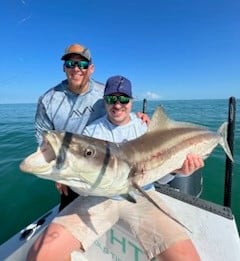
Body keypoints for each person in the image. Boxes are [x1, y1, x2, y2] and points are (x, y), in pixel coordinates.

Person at [28, 75, 203, 261]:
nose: (117, 105)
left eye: (123, 99)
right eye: (111, 99)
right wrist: (64, 174)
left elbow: (159, 178)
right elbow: (82, 173)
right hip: (100, 198)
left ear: (131, 101)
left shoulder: (146, 128)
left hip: (143, 194)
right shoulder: (92, 131)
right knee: (40, 255)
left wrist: (178, 171)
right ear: (105, 101)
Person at [34, 43, 149, 210]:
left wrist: (141, 117)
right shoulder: (48, 100)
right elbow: (41, 135)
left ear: (91, 68)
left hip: (105, 167)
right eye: (70, 63)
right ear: (63, 68)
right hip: (71, 170)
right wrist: (57, 172)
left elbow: (120, 106)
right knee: (69, 215)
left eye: (82, 64)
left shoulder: (104, 93)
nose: (76, 68)